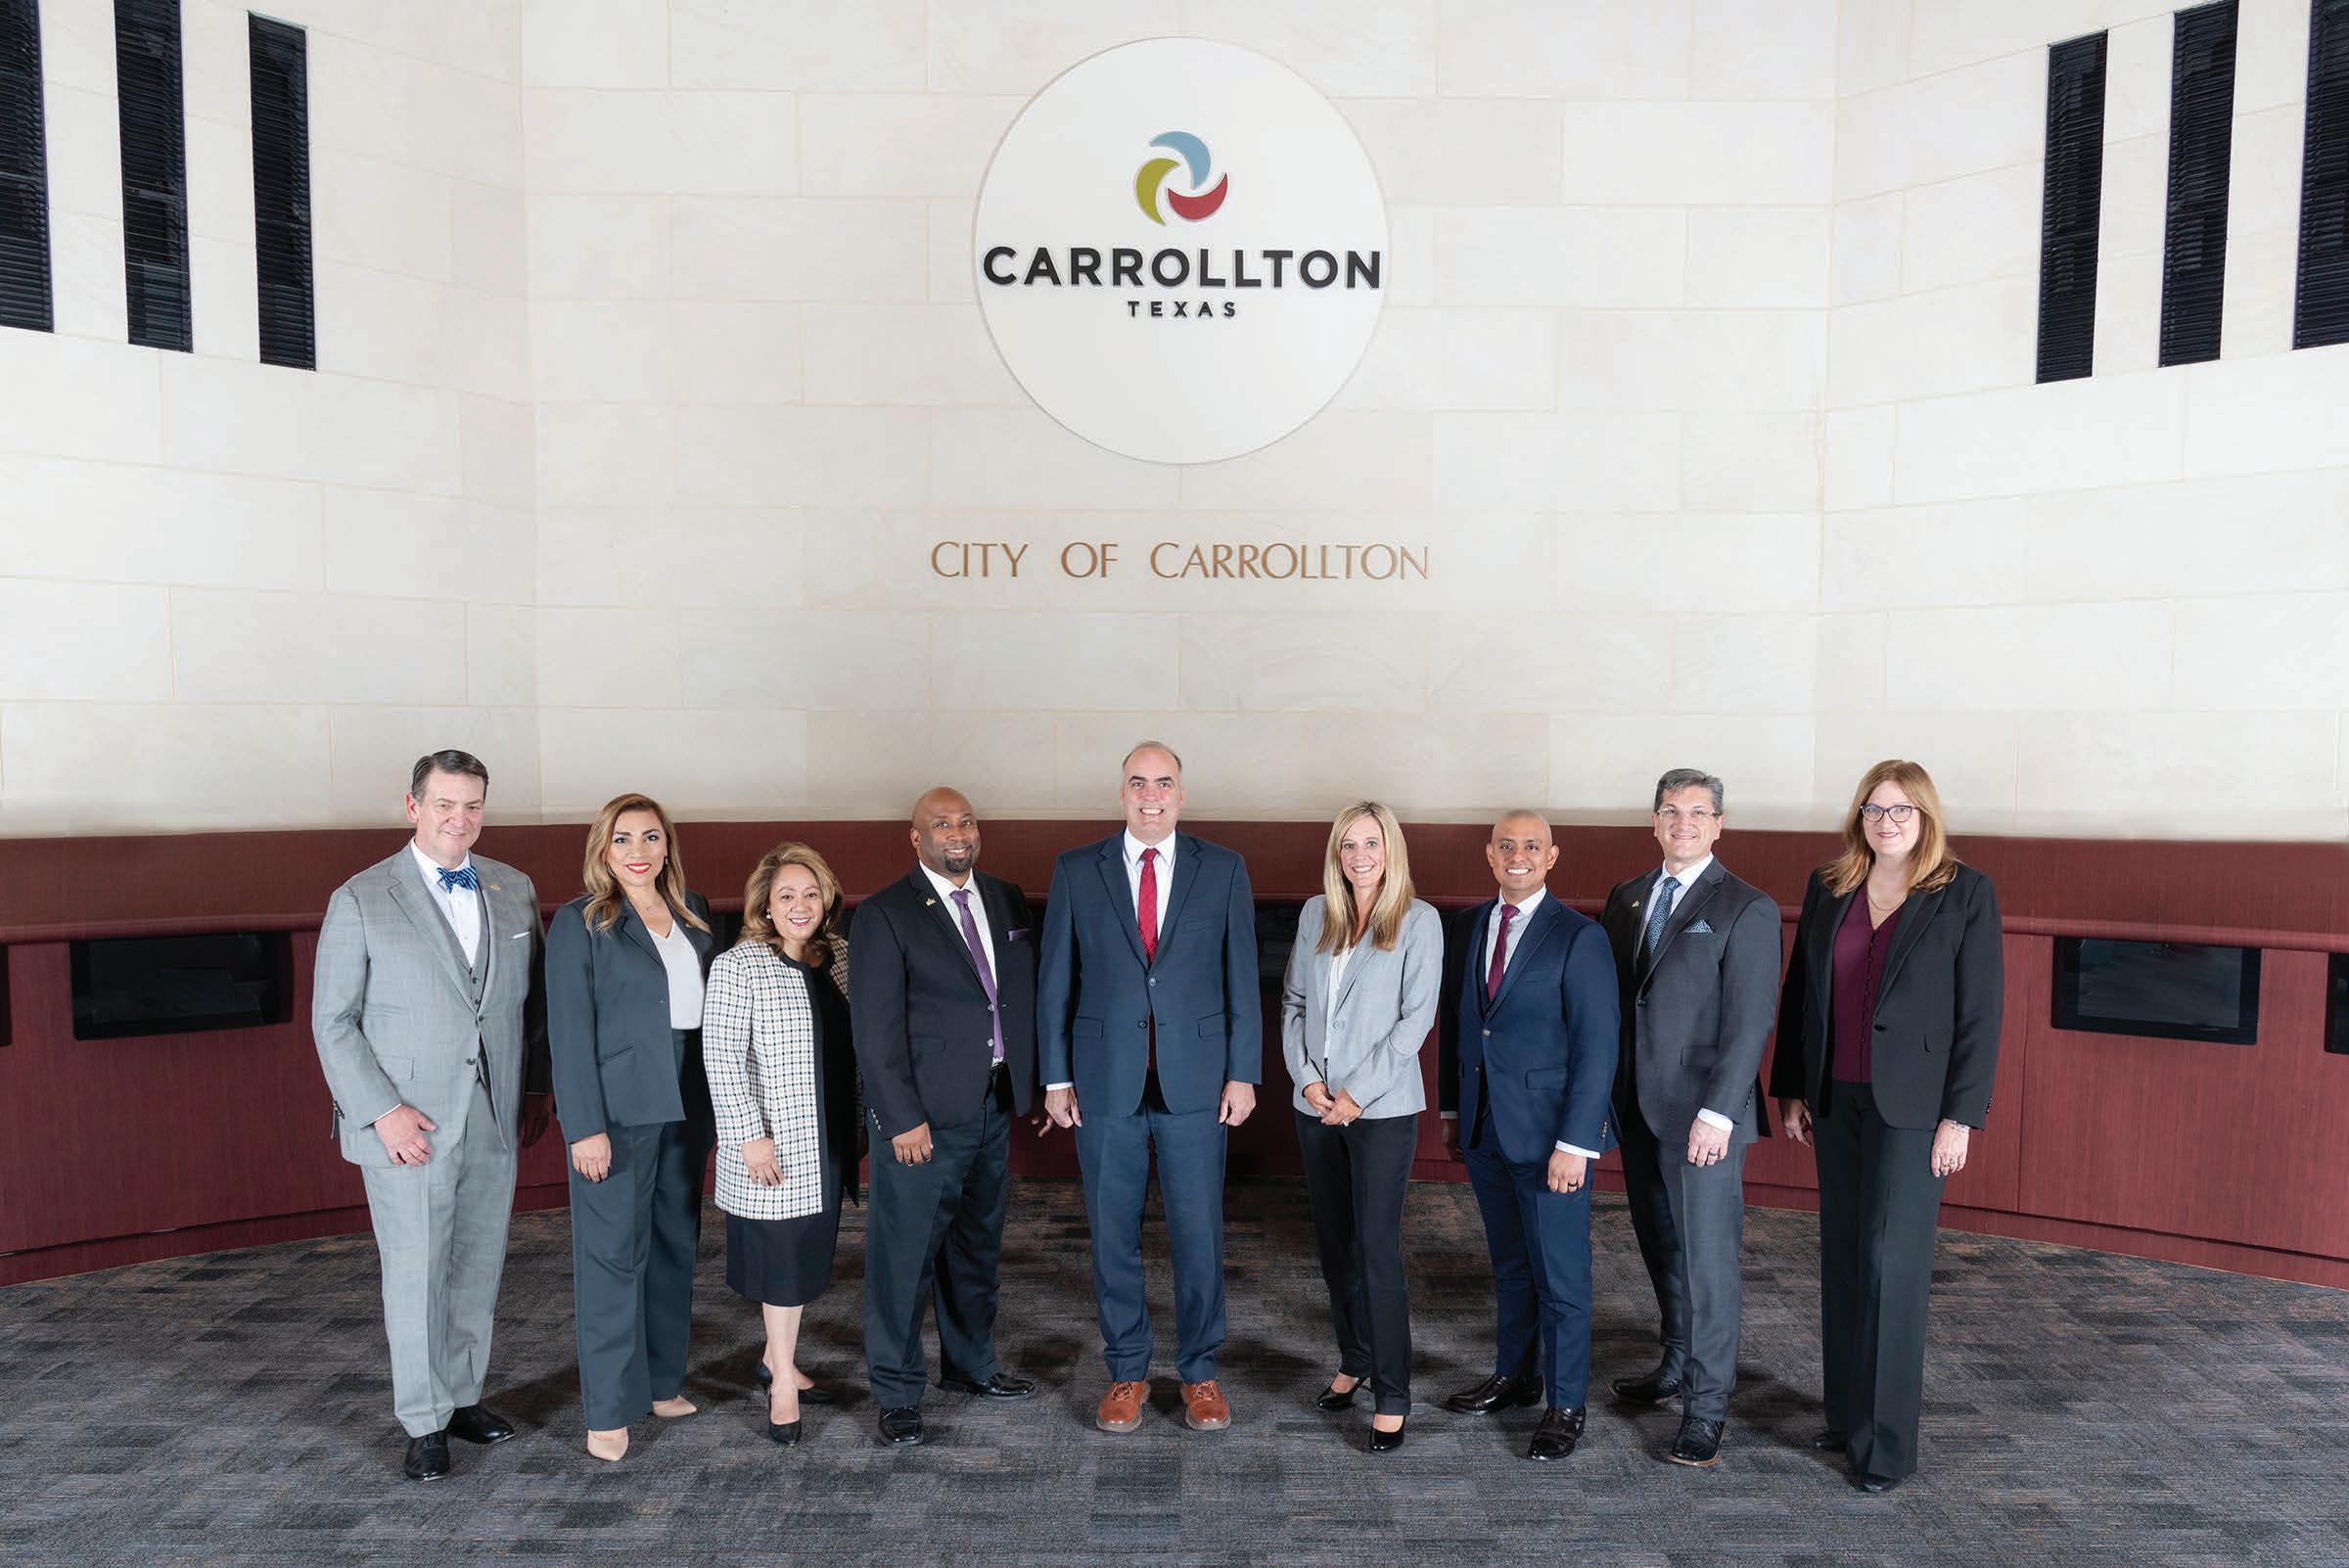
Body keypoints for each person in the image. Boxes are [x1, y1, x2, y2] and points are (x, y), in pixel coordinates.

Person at [311, 749, 550, 1482]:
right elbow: (333, 1022)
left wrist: (531, 1095)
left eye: (472, 804)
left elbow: (532, 1009)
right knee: (416, 1272)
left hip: (491, 1115)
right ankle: (423, 1422)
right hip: (408, 1124)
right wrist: (382, 1113)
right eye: (444, 804)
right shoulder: (360, 897)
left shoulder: (513, 888)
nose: (459, 818)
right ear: (413, 807)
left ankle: (462, 1396)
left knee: (477, 1263)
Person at [1770, 760, 2003, 1494]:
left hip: (1915, 1111)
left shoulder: (1964, 893)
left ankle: (1885, 1448)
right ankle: (1846, 1416)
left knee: (1888, 1264)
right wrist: (1792, 1088)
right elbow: (1801, 993)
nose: (1887, 822)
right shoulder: (1830, 885)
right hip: (1836, 1097)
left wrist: (1960, 1116)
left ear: (1925, 817)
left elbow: (1980, 1015)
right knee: (1843, 1254)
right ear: (1859, 818)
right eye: (1875, 809)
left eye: (1902, 810)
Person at [1037, 740, 1262, 1436]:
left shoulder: (1224, 868)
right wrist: (1056, 1076)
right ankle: (1127, 1370)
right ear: (1122, 793)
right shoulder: (1076, 869)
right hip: (1106, 1082)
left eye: (1163, 782)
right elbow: (1055, 981)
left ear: (1181, 794)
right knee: (1113, 1235)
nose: (1151, 794)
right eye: (1138, 782)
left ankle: (1199, 1371)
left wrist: (1243, 1071)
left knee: (1198, 1234)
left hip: (1198, 1083)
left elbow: (1242, 977)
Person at [850, 788, 1044, 1448]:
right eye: (941, 824)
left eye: (965, 821)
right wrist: (900, 1117)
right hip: (921, 1120)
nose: (957, 833)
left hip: (991, 1103)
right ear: (916, 838)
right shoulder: (885, 913)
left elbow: (1017, 997)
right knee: (904, 1259)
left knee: (976, 1246)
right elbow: (874, 1030)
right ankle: (898, 1393)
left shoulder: (1005, 897)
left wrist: (1034, 1086)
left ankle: (970, 1365)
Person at [1598, 768, 1780, 1468]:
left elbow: (1749, 1023)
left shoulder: (1746, 907)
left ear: (1718, 825)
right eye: (1671, 810)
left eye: (1698, 812)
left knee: (1707, 1264)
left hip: (1704, 1116)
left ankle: (1706, 1409)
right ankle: (1675, 1363)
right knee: (1661, 1248)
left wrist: (1719, 1112)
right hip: (1637, 1107)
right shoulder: (1627, 897)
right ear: (1654, 820)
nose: (1683, 822)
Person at [1438, 810, 1619, 1462]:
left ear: (1552, 857)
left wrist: (1577, 1142)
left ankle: (1566, 1404)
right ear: (1490, 855)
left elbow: (1598, 1048)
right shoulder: (1466, 927)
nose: (1519, 856)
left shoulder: (1580, 936)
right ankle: (1515, 1376)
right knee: (1511, 1265)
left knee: (1560, 1276)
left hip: (1551, 1140)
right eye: (1507, 846)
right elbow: (1461, 1026)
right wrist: (1453, 1113)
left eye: (1532, 847)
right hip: (1484, 1128)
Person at [545, 793, 716, 1463]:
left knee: (675, 1243)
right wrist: (583, 1126)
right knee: (612, 1257)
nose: (637, 851)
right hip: (616, 1108)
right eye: (622, 839)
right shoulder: (582, 921)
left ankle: (662, 1381)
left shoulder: (694, 911)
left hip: (689, 1096)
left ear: (667, 845)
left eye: (650, 837)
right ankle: (609, 1410)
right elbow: (568, 1031)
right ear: (603, 849)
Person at [1280, 801, 1442, 1453]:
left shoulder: (1419, 920)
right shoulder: (1315, 914)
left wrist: (1353, 1094)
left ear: (1390, 849)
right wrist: (1308, 1081)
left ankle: (1393, 1394)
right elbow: (1294, 1003)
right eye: (1348, 844)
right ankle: (1355, 1358)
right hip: (1316, 1105)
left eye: (1371, 843)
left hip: (1380, 1109)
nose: (1359, 856)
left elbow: (1414, 1022)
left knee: (1375, 1248)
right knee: (1335, 1246)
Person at [704, 842, 859, 1449]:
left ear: (827, 899)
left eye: (811, 893)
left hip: (829, 1137)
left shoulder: (838, 956)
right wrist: (749, 1135)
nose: (800, 905)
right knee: (784, 1267)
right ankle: (783, 1385)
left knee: (807, 1259)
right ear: (765, 905)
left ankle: (776, 1359)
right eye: (786, 895)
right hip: (775, 1144)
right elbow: (721, 1058)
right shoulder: (739, 964)